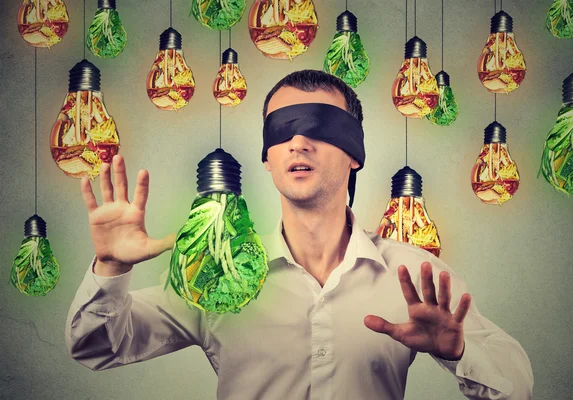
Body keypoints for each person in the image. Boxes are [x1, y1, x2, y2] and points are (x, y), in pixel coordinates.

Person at [66, 70, 534, 399]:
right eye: (282, 129)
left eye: (320, 127)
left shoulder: (413, 276)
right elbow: (95, 345)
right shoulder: (216, 275)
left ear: (355, 154)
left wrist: (461, 352)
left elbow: (517, 389)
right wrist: (111, 268)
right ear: (268, 158)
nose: (298, 141)